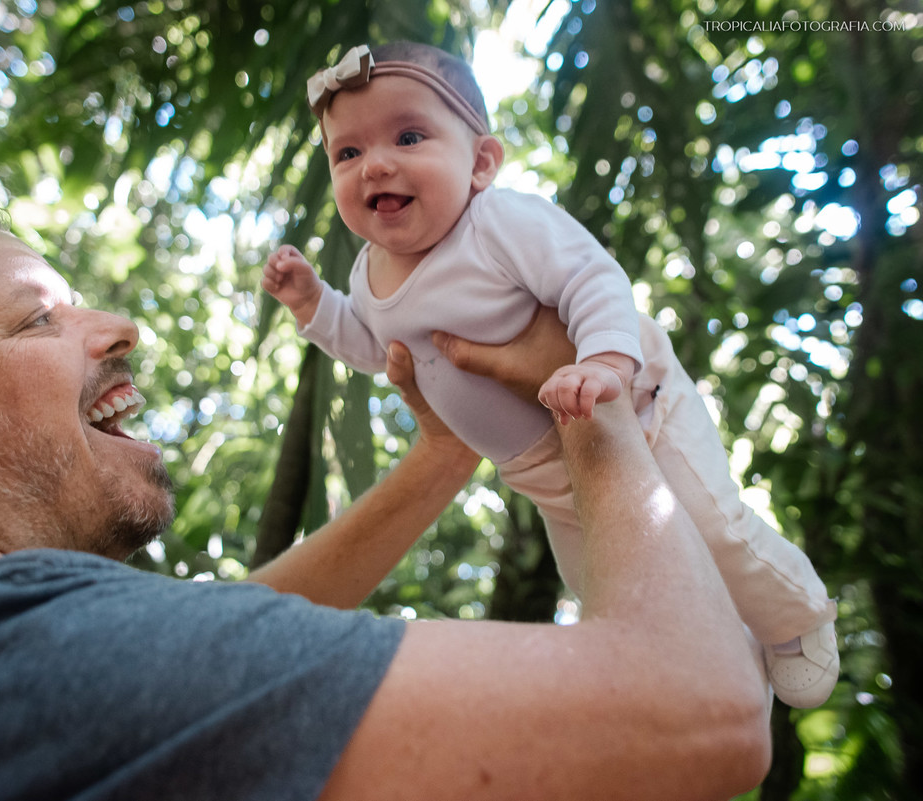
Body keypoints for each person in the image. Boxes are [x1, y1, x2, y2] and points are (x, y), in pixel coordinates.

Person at [0, 190, 771, 800]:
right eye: (38, 320)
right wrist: (591, 399)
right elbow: (702, 712)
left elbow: (220, 638)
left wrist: (441, 456)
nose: (116, 326)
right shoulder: (5, 660)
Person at [262, 41, 839, 709]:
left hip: (638, 414)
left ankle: (797, 617)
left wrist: (602, 364)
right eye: (347, 153)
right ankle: (722, 654)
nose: (376, 165)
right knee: (606, 585)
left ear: (481, 163)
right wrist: (313, 304)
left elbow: (590, 279)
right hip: (543, 476)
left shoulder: (498, 223)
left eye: (409, 135)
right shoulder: (367, 273)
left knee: (712, 525)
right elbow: (370, 344)